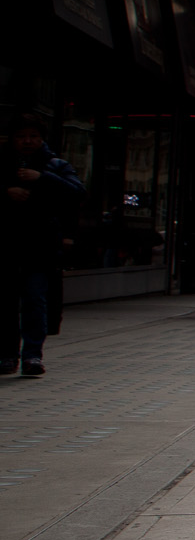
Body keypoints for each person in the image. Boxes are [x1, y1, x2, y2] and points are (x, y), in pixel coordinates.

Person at [1, 116, 83, 378]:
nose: (27, 141)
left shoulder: (56, 166)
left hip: (39, 247)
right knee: (6, 304)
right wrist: (7, 192)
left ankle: (32, 354)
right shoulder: (3, 164)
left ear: (42, 139)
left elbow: (77, 193)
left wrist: (42, 178)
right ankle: (7, 355)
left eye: (33, 136)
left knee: (35, 300)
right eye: (21, 136)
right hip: (6, 245)